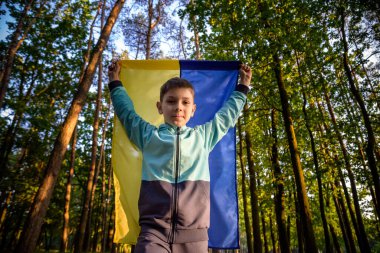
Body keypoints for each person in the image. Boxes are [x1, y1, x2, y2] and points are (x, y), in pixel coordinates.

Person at [108, 61, 252, 253]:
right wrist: (115, 82)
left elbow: (226, 116)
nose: (178, 107)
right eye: (171, 101)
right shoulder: (148, 136)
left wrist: (243, 86)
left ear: (193, 110)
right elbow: (126, 113)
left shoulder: (202, 137)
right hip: (153, 232)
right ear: (160, 107)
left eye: (185, 102)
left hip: (195, 235)